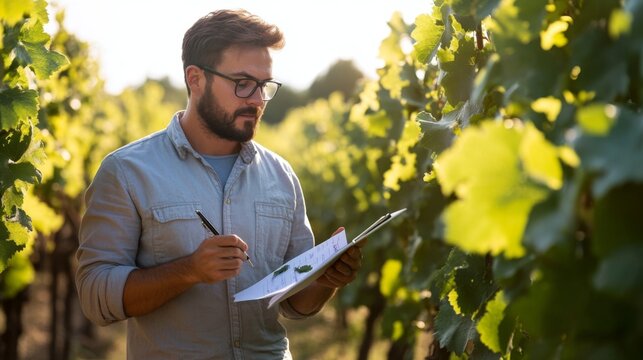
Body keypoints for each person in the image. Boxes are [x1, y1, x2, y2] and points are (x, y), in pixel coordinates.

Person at [75, 9, 364, 359]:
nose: (257, 100)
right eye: (242, 83)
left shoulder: (281, 176)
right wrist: (189, 270)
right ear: (195, 79)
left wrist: (324, 280)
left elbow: (295, 305)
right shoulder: (126, 171)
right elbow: (95, 298)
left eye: (264, 85)